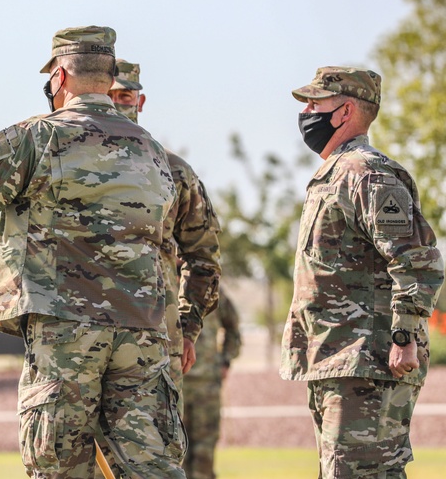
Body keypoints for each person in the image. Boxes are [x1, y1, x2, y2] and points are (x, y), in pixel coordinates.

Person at [0, 26, 186, 479]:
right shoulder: (152, 150)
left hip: (66, 331)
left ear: (59, 77)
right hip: (143, 332)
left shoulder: (35, 137)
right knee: (151, 467)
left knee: (59, 467)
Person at [280, 66, 444, 479]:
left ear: (345, 111)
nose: (307, 112)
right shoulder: (334, 173)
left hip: (366, 361)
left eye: (316, 103)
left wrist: (404, 334)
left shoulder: (365, 173)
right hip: (338, 360)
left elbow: (416, 261)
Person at [108, 60, 221, 387]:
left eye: (126, 96)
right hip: (81, 344)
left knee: (157, 438)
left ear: (140, 102)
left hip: (152, 343)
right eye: (109, 96)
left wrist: (187, 328)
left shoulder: (173, 171)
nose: (117, 104)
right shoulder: (62, 162)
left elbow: (205, 258)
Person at [182, 287, 241, 479]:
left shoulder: (210, 289)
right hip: (174, 386)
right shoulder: (163, 282)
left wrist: (225, 360)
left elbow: (233, 328)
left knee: (204, 455)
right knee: (173, 453)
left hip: (206, 386)